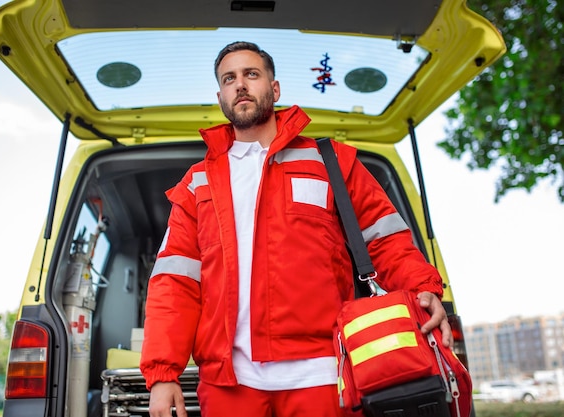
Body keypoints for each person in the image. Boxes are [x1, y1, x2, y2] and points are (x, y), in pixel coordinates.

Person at [140, 41, 452, 417]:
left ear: (274, 89)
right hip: (229, 384)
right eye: (229, 78)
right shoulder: (198, 182)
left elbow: (386, 238)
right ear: (220, 96)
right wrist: (162, 373)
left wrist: (423, 289)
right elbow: (174, 283)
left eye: (251, 74)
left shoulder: (330, 161)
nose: (240, 84)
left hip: (323, 374)